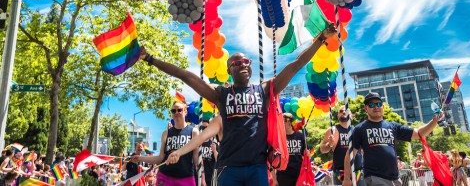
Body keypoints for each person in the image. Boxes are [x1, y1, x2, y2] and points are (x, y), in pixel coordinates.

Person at [139, 24, 337, 186]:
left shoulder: (265, 90)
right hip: (229, 168)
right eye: (236, 63)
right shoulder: (221, 94)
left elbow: (296, 65)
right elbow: (185, 75)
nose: (242, 65)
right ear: (229, 69)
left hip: (257, 168)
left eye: (245, 62)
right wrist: (150, 59)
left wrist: (321, 39)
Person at [342, 92, 442, 186]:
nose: (376, 107)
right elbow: (350, 155)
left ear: (383, 106)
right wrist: (347, 178)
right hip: (374, 177)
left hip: (395, 178)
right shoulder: (359, 129)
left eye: (378, 104)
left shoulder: (393, 126)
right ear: (366, 109)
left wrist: (434, 122)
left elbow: (419, 133)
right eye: (371, 105)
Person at [132, 101, 199, 186]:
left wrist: (203, 178)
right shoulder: (166, 134)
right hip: (165, 177)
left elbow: (196, 159)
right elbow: (160, 158)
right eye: (173, 111)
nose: (176, 113)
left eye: (179, 110)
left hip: (186, 178)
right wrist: (140, 158)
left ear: (185, 111)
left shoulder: (193, 132)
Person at [320, 106, 364, 186]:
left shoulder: (358, 131)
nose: (344, 112)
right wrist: (329, 144)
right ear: (338, 116)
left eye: (346, 111)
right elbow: (323, 150)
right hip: (340, 173)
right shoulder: (333, 130)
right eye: (341, 111)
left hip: (359, 172)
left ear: (351, 116)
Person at [275, 113, 305, 186]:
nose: (281, 123)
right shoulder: (279, 137)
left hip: (298, 173)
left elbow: (306, 154)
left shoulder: (300, 136)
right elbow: (273, 158)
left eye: (283, 121)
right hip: (283, 174)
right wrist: (274, 178)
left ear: (289, 122)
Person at [200, 119, 219, 186]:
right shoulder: (198, 144)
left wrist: (214, 151)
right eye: (203, 127)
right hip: (199, 177)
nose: (204, 129)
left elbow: (218, 161)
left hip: (211, 176)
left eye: (206, 127)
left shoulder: (214, 144)